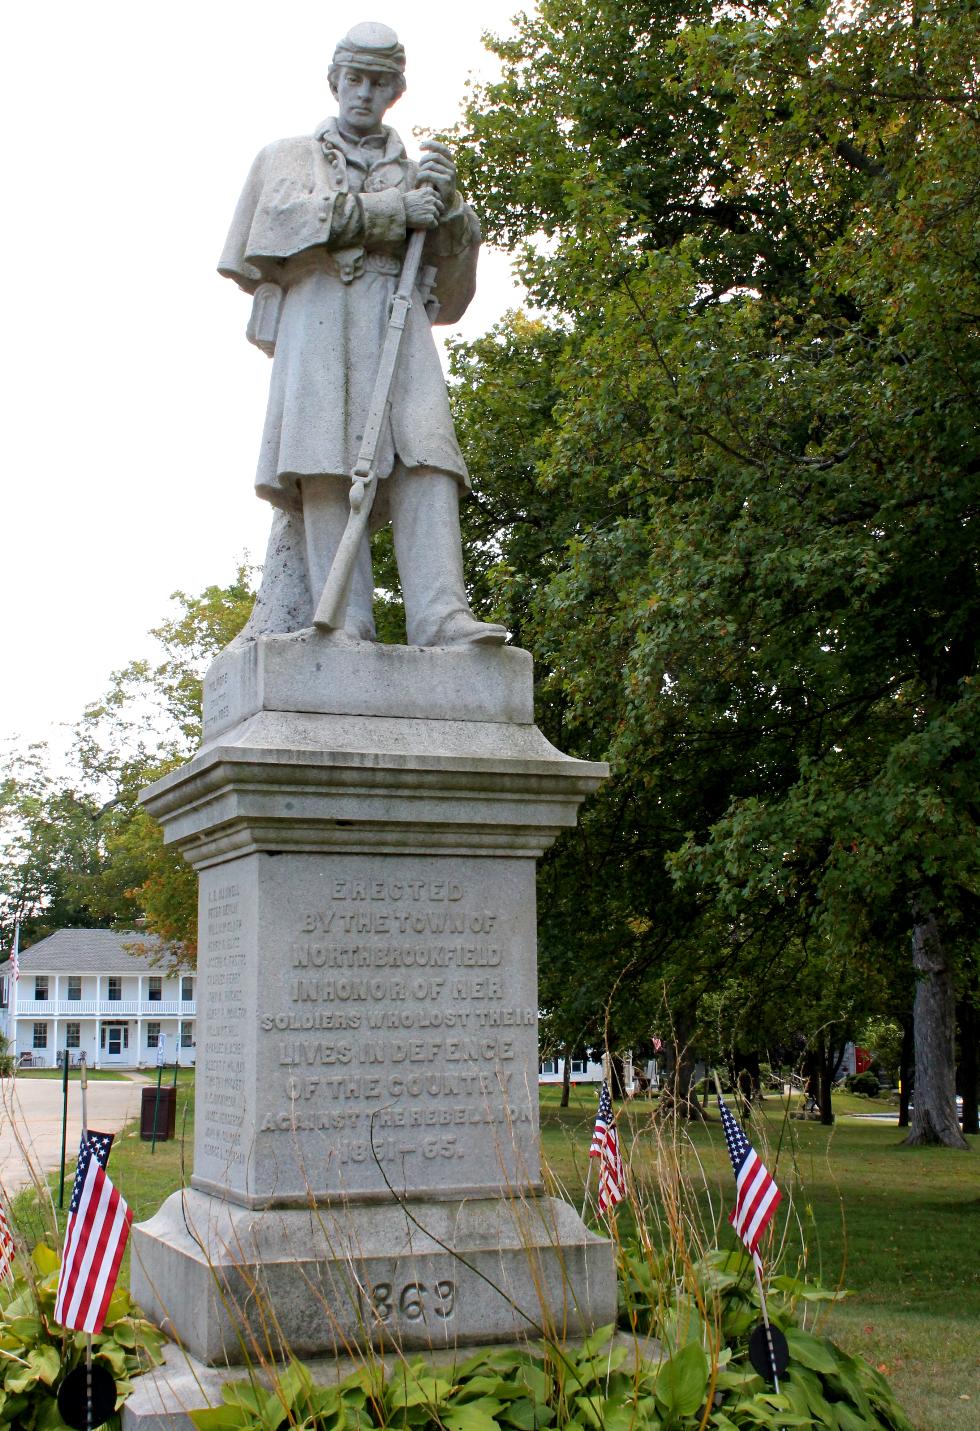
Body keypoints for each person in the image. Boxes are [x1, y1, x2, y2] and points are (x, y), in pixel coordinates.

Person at [219, 21, 507, 648]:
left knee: (428, 454)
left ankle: (442, 616)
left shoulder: (419, 176)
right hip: (319, 316)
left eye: (379, 83)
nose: (364, 95)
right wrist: (385, 214)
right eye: (355, 80)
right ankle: (345, 622)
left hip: (398, 320)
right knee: (323, 461)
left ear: (395, 91)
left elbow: (453, 295)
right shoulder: (288, 156)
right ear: (335, 81)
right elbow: (269, 232)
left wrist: (450, 216)